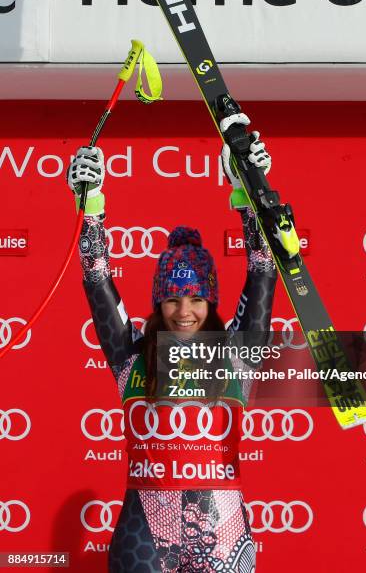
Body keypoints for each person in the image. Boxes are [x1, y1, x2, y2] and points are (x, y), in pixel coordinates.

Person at [67, 113, 277, 573]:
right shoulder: (132, 354)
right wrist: (91, 205)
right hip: (143, 541)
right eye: (173, 299)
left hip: (226, 540)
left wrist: (250, 192)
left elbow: (264, 269)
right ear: (158, 303)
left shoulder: (234, 355)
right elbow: (95, 275)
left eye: (197, 298)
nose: (185, 311)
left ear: (211, 302)